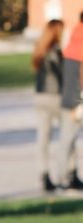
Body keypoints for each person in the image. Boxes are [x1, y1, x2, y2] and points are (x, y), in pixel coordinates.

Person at [33, 19, 64, 192]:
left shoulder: (39, 50)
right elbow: (63, 77)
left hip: (40, 97)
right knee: (68, 136)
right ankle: (69, 172)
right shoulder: (56, 52)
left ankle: (44, 173)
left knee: (43, 138)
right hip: (56, 98)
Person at [57, 13, 83, 191]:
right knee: (67, 140)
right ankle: (63, 177)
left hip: (69, 99)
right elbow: (78, 78)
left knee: (68, 140)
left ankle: (69, 176)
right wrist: (77, 103)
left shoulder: (73, 38)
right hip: (77, 101)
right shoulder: (80, 44)